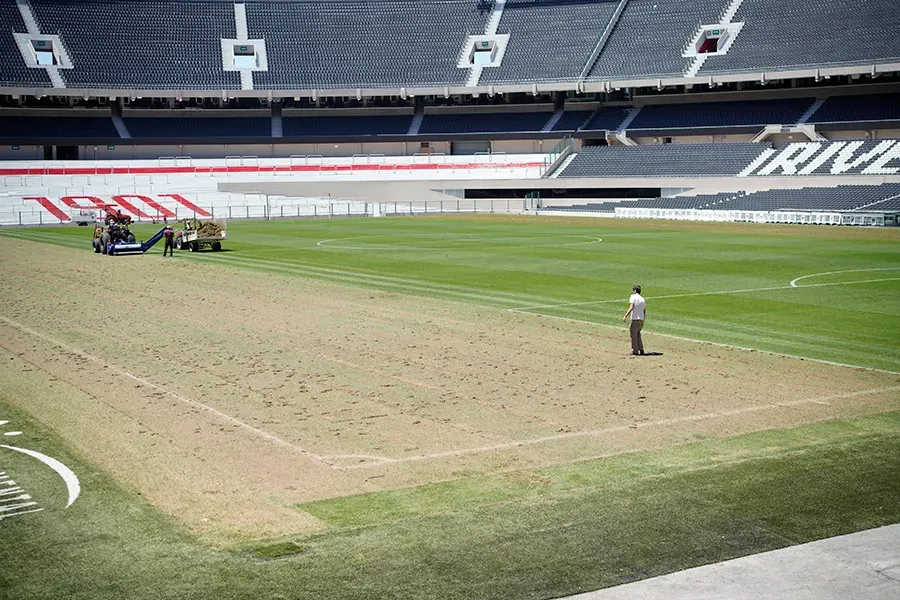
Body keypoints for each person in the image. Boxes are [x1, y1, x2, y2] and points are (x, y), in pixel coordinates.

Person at [623, 285, 646, 356]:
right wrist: (643, 321)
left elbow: (631, 307)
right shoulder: (642, 299)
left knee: (633, 334)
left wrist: (625, 315)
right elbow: (644, 311)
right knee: (638, 334)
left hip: (635, 318)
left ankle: (635, 350)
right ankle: (641, 349)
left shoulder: (633, 297)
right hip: (641, 319)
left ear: (635, 290)